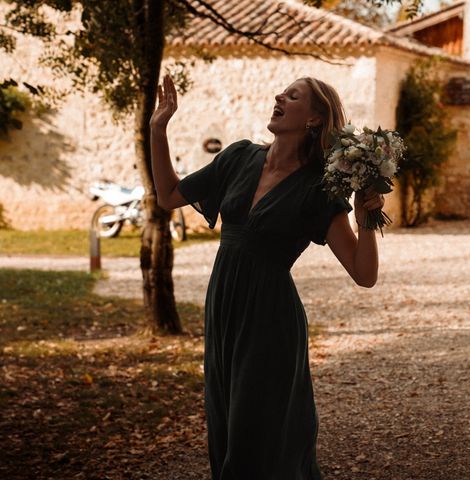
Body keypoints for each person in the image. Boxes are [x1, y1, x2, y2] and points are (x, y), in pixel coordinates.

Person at [150, 74, 384, 479]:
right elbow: (168, 196)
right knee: (225, 425)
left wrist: (366, 219)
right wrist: (158, 129)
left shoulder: (319, 188)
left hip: (270, 320)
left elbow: (364, 274)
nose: (279, 96)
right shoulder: (239, 157)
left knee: (256, 436)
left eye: (293, 96)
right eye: (283, 91)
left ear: (313, 119)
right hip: (223, 309)